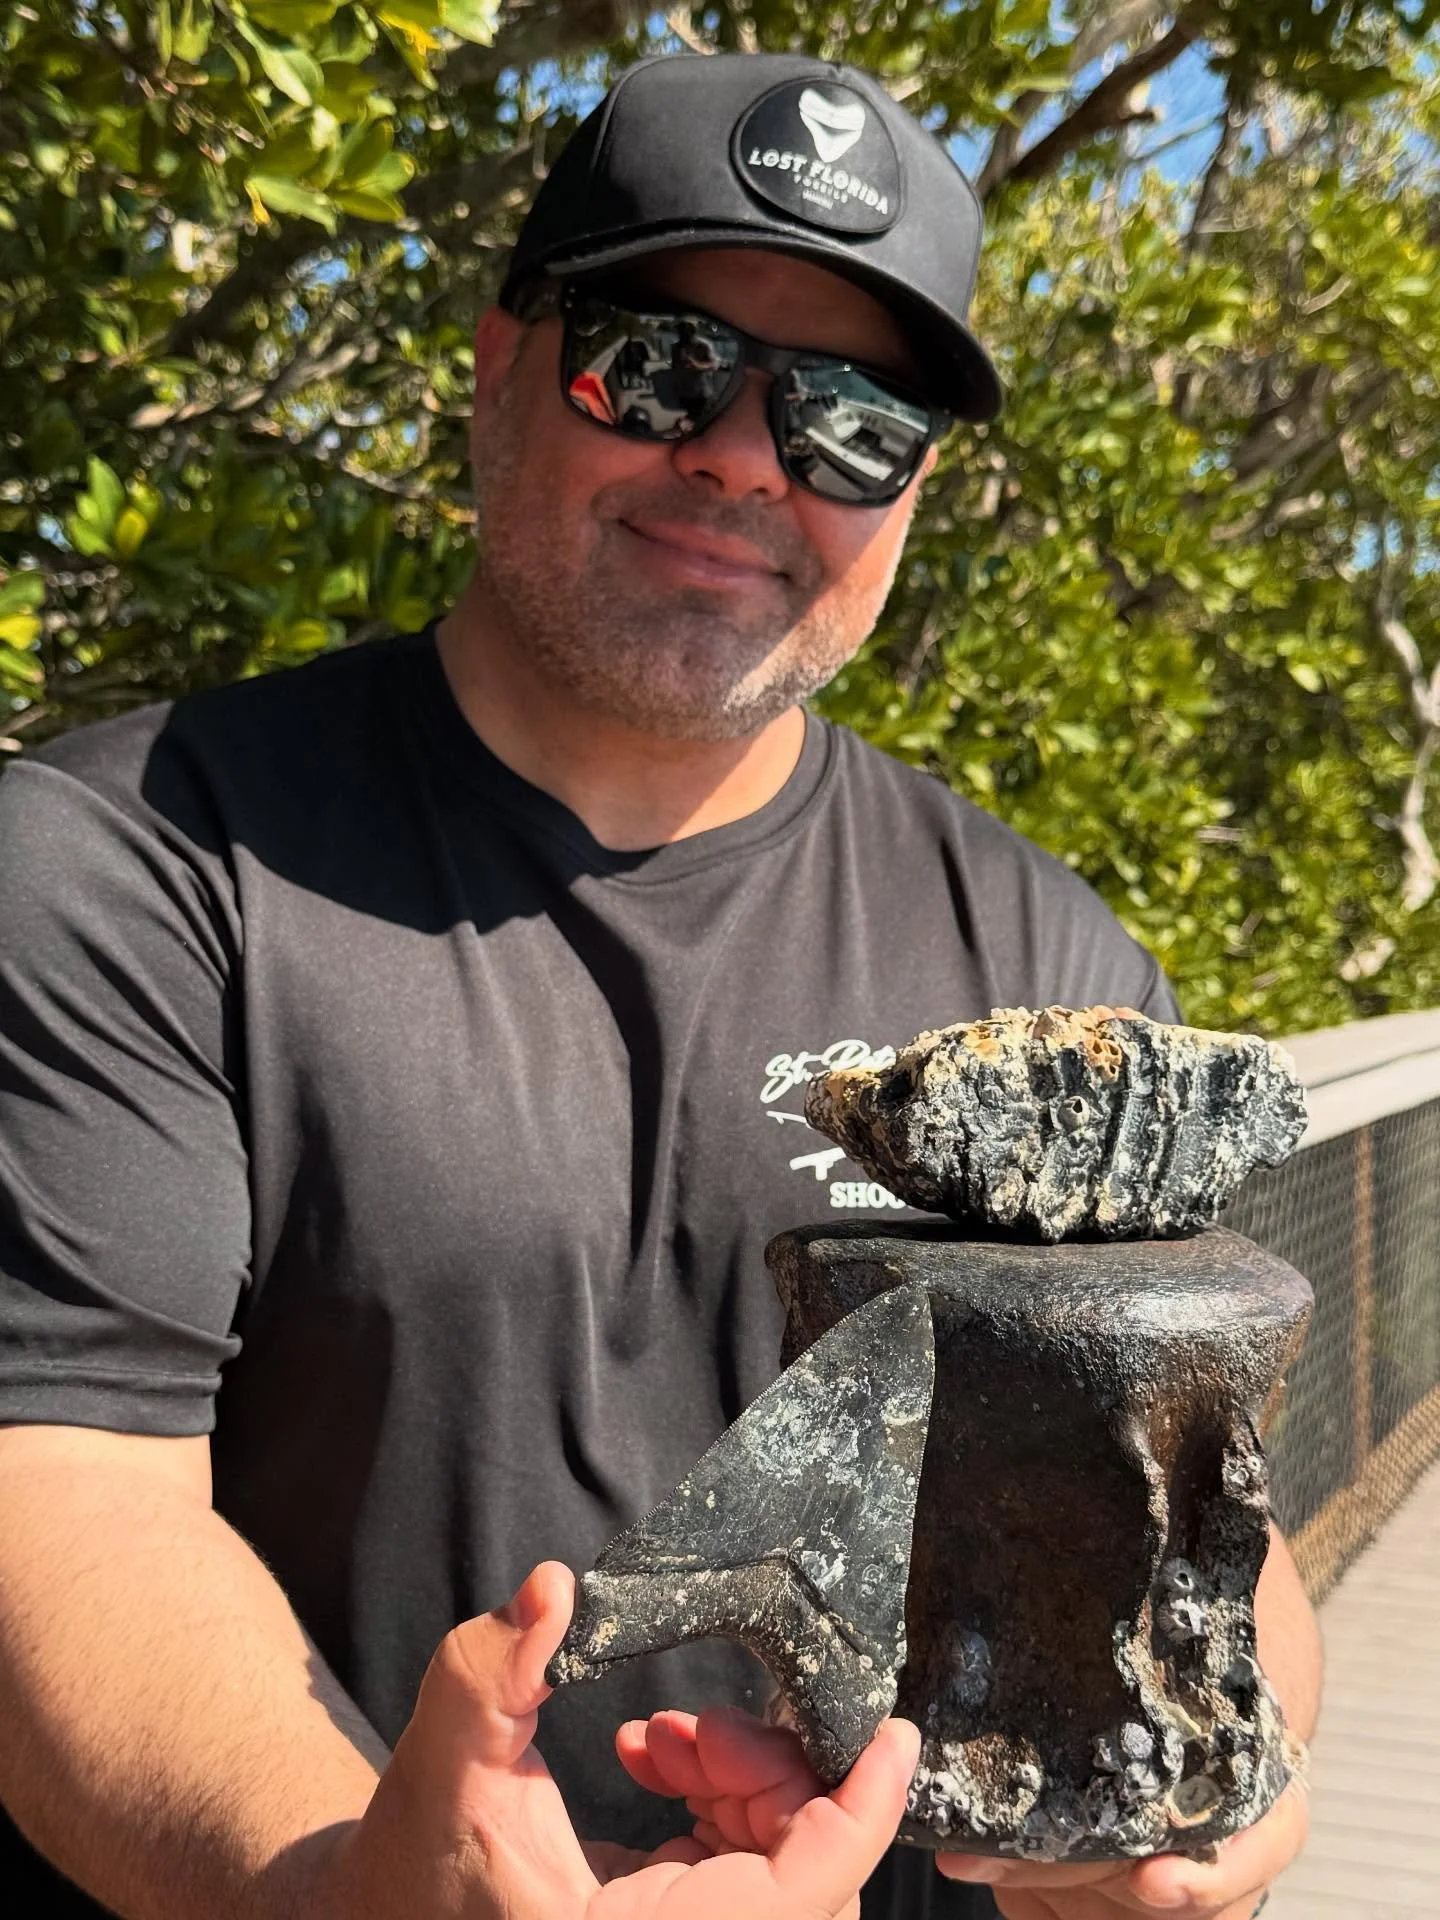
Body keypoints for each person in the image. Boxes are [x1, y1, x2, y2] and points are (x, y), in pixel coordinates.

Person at [0, 49, 1319, 1920]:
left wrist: (1213, 1813)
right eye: (663, 363)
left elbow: (1199, 1504)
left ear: (911, 495)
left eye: (852, 424)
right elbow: (61, 1489)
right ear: (498, 366)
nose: (746, 458)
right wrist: (352, 1885)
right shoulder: (132, 865)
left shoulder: (1048, 965)